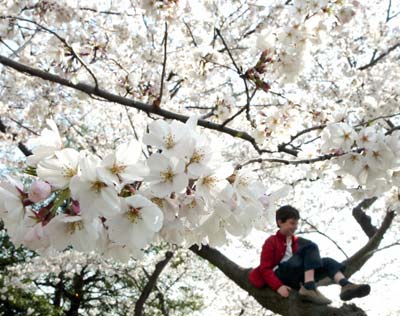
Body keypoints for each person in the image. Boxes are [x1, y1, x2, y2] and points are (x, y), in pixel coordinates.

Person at [248, 205, 371, 305]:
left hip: (297, 278)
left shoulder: (298, 241)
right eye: (292, 223)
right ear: (280, 222)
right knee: (310, 246)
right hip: (280, 275)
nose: (295, 227)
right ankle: (309, 287)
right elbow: (265, 268)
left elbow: (308, 261)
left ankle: (346, 285)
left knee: (327, 261)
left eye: (296, 224)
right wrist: (278, 287)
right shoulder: (272, 241)